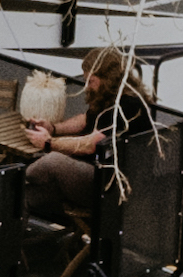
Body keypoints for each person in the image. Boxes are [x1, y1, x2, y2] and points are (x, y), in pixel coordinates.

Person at [20, 45, 134, 232]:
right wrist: (54, 128)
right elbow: (85, 120)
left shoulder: (126, 105)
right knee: (23, 195)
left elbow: (90, 144)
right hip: (89, 173)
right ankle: (13, 253)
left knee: (53, 160)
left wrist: (48, 143)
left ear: (108, 79)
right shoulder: (106, 98)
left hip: (106, 183)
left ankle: (15, 175)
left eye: (92, 81)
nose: (87, 86)